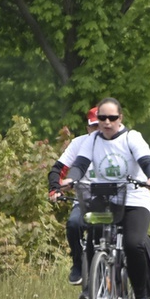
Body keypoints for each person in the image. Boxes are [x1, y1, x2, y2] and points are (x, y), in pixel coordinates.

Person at [56, 97, 150, 299]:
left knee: (133, 244)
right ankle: (95, 283)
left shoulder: (132, 137)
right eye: (102, 118)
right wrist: (70, 180)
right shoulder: (91, 140)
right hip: (105, 197)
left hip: (134, 198)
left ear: (120, 119)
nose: (106, 122)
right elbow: (80, 164)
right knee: (93, 235)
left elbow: (146, 160)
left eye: (112, 118)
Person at [48, 107, 100, 285]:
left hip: (111, 201)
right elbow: (58, 169)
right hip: (84, 201)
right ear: (87, 128)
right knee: (73, 224)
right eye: (93, 127)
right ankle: (77, 263)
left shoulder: (117, 144)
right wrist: (55, 188)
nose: (97, 131)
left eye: (100, 126)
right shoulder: (79, 143)